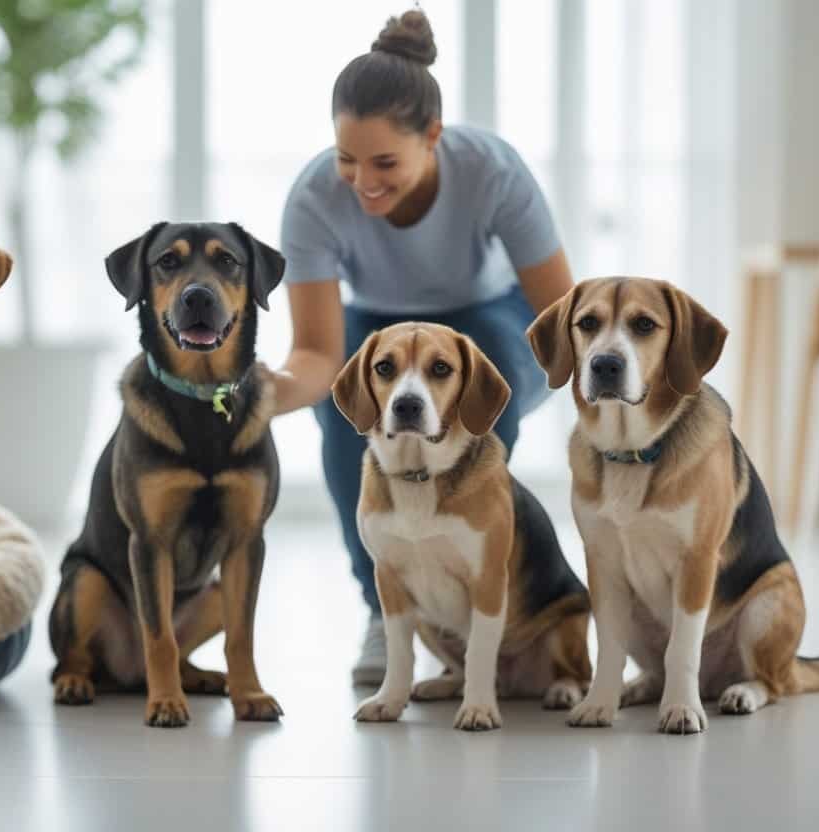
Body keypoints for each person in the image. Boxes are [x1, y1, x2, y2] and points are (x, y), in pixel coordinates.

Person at [269, 8, 575, 685]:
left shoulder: (492, 171)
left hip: (496, 317)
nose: (364, 181)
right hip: (377, 321)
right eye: (348, 160)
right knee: (347, 406)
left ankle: (478, 587)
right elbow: (318, 356)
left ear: (433, 137)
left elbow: (560, 318)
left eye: (385, 163)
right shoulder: (315, 199)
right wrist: (261, 399)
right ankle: (386, 604)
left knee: (479, 381)